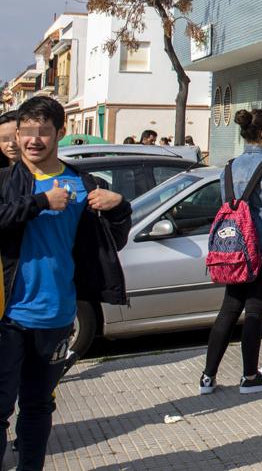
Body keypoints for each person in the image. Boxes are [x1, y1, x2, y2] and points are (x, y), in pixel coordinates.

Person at [0, 96, 130, 470]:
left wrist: (120, 206)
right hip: (7, 317)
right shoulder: (6, 182)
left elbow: (110, 244)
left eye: (44, 131)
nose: (34, 140)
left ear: (60, 133)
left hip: (57, 315)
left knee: (39, 405)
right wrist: (41, 202)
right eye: (27, 131)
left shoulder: (82, 183)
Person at [200, 109, 262, 396]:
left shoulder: (229, 167)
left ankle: (208, 377)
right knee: (255, 310)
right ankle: (249, 376)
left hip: (235, 249)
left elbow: (225, 202)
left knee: (229, 309)